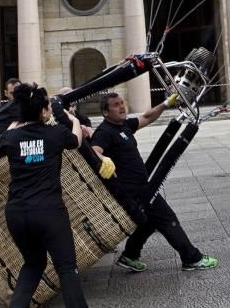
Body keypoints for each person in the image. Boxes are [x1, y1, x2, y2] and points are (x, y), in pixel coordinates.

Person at [0, 83, 108, 308]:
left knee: (33, 264)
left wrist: (12, 128)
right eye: (48, 108)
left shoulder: (11, 137)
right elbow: (75, 141)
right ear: (44, 110)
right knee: (66, 267)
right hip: (49, 212)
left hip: (17, 213)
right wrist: (73, 120)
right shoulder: (54, 133)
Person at [92, 91, 218, 273]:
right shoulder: (105, 132)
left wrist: (167, 103)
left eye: (122, 103)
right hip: (133, 190)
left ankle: (130, 255)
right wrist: (102, 159)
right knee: (167, 218)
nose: (121, 107)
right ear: (105, 112)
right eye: (116, 105)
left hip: (142, 186)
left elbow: (146, 117)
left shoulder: (124, 126)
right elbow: (94, 150)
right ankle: (192, 258)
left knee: (149, 222)